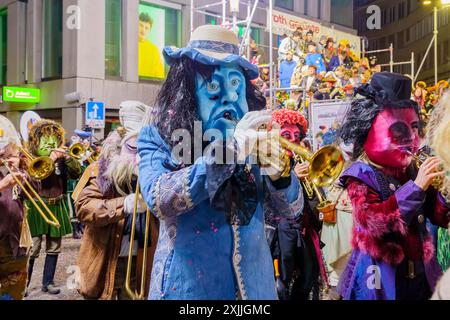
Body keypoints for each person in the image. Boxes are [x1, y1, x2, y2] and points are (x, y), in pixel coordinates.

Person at [137, 24, 302, 300]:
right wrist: (231, 151)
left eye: (236, 85)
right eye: (214, 86)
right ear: (187, 92)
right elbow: (160, 198)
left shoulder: (253, 138)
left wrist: (281, 175)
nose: (231, 98)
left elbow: (291, 212)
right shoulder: (158, 136)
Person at [338, 72, 450, 300]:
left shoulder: (410, 169)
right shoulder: (360, 174)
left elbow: (437, 217)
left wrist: (444, 194)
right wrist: (416, 187)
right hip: (380, 279)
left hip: (421, 275)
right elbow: (371, 223)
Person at [74, 102, 158, 300]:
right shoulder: (102, 170)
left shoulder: (153, 173)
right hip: (106, 262)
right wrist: (124, 205)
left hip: (142, 264)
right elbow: (84, 207)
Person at [266, 109, 328, 300]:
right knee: (282, 286)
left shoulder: (300, 158)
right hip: (279, 235)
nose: (293, 139)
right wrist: (293, 177)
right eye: (286, 135)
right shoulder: (267, 160)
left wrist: (314, 181)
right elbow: (271, 198)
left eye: (297, 135)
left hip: (304, 230)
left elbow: (314, 198)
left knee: (308, 279)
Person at [26, 120, 82, 295]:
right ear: (37, 141)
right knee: (32, 248)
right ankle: (25, 284)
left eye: (54, 141)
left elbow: (76, 173)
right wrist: (50, 159)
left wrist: (68, 158)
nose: (51, 145)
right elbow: (32, 179)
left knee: (54, 247)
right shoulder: (28, 158)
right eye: (46, 141)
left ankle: (48, 282)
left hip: (57, 205)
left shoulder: (62, 158)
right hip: (36, 206)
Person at [0, 116, 31, 300]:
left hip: (14, 244)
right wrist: (3, 184)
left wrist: (22, 173)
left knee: (13, 294)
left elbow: (35, 195)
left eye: (8, 152)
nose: (4, 155)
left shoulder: (16, 170)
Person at [138, 12, 165, 79]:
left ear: (150, 30)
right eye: (141, 25)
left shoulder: (154, 50)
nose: (143, 30)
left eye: (146, 28)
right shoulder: (129, 44)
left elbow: (159, 75)